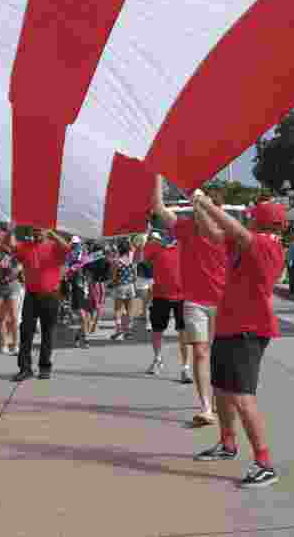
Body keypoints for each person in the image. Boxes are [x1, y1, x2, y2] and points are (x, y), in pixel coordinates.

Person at [189, 193, 286, 489]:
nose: (248, 217)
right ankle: (227, 443)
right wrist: (198, 206)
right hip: (231, 326)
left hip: (249, 330)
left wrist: (206, 203)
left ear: (262, 220)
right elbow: (213, 232)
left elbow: (235, 229)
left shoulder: (266, 245)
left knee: (243, 397)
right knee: (222, 390)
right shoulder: (246, 244)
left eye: (253, 215)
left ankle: (265, 463)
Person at [153, 177, 227, 427]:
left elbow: (212, 229)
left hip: (222, 302)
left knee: (220, 354)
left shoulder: (224, 233)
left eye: (204, 209)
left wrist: (201, 203)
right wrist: (157, 176)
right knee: (200, 351)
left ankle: (220, 399)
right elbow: (160, 209)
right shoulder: (186, 229)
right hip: (194, 301)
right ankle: (206, 407)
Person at [9, 226, 69, 381]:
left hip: (51, 296)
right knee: (26, 332)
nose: (37, 233)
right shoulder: (26, 247)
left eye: (40, 230)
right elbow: (12, 246)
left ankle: (44, 367)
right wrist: (11, 230)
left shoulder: (54, 246)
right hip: (31, 296)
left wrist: (52, 234)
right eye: (35, 230)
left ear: (46, 231)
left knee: (47, 333)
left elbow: (67, 248)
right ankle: (25, 368)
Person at [140, 232, 184, 376]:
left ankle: (186, 367)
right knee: (157, 330)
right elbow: (139, 259)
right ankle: (157, 359)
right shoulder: (154, 246)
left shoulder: (184, 245)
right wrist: (143, 240)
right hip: (160, 295)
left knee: (183, 332)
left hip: (182, 295)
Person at [0, 233, 22, 355]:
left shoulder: (9, 252)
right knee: (1, 318)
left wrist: (13, 273)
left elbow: (19, 266)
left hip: (12, 286)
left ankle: (16, 344)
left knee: (14, 317)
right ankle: (4, 344)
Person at [111, 239, 138, 339]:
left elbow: (114, 276)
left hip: (120, 286)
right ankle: (128, 331)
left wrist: (112, 283)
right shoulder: (132, 260)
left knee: (118, 310)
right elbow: (135, 275)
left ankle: (118, 330)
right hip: (130, 286)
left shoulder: (117, 261)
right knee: (129, 310)